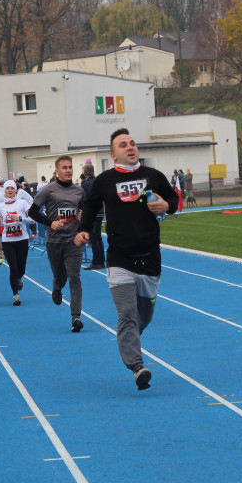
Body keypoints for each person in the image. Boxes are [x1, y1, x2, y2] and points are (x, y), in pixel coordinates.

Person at [75, 128, 177, 389]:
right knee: (127, 313)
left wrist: (166, 206)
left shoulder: (153, 176)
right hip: (119, 258)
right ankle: (137, 366)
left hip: (150, 258)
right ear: (113, 154)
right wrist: (84, 229)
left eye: (132, 143)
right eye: (123, 145)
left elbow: (175, 201)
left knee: (143, 317)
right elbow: (91, 206)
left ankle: (129, 337)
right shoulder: (104, 180)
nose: (130, 147)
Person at [29, 155, 86, 332]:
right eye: (65, 168)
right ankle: (56, 286)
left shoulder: (79, 191)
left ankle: (76, 317)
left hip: (73, 241)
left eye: (70, 167)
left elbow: (84, 210)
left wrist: (82, 219)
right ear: (57, 171)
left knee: (74, 277)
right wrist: (50, 223)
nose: (68, 170)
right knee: (59, 276)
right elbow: (32, 212)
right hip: (54, 241)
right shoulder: (48, 190)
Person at [0, 180, 34, 306]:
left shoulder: (23, 203)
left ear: (16, 190)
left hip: (22, 239)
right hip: (7, 241)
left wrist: (21, 219)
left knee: (21, 268)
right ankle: (16, 295)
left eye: (12, 188)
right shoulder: (0, 207)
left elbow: (32, 220)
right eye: (8, 188)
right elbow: (1, 223)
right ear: (4, 191)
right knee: (13, 267)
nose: (10, 190)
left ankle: (19, 278)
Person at [80, 163, 106, 269]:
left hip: (92, 214)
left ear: (85, 173)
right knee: (98, 238)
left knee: (94, 238)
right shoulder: (99, 182)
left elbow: (83, 200)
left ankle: (97, 262)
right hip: (100, 212)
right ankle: (100, 260)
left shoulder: (85, 185)